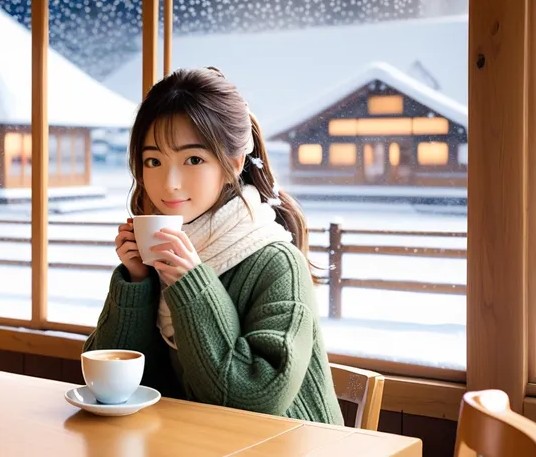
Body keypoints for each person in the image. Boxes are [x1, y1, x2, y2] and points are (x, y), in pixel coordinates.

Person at [84, 67, 343, 424]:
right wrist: (137, 282)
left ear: (233, 164)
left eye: (194, 159)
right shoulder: (163, 256)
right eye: (153, 161)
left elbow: (253, 401)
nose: (170, 183)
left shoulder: (278, 262)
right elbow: (109, 387)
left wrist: (192, 284)